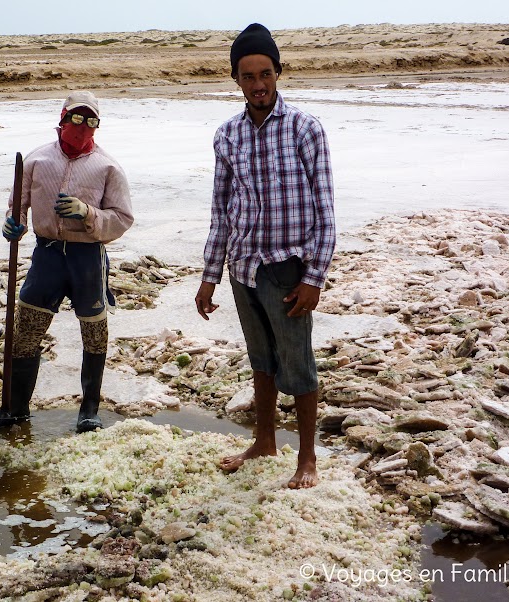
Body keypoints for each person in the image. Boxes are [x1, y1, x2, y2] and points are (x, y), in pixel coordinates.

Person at [195, 23, 336, 488]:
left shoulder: (305, 129)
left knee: (297, 362)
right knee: (261, 360)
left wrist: (314, 277)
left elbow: (325, 212)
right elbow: (221, 211)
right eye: (248, 75)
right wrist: (209, 276)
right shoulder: (227, 135)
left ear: (279, 73)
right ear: (235, 79)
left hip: (287, 269)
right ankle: (264, 441)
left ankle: (308, 459)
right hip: (243, 268)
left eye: (265, 74)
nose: (258, 84)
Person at [0, 91, 133, 433]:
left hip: (87, 257)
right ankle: (15, 409)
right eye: (76, 118)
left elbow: (122, 218)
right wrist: (12, 224)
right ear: (62, 120)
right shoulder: (36, 161)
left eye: (90, 121)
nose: (82, 127)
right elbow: (18, 204)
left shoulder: (107, 167)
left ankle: (89, 410)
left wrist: (87, 212)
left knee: (94, 333)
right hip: (47, 255)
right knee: (26, 332)